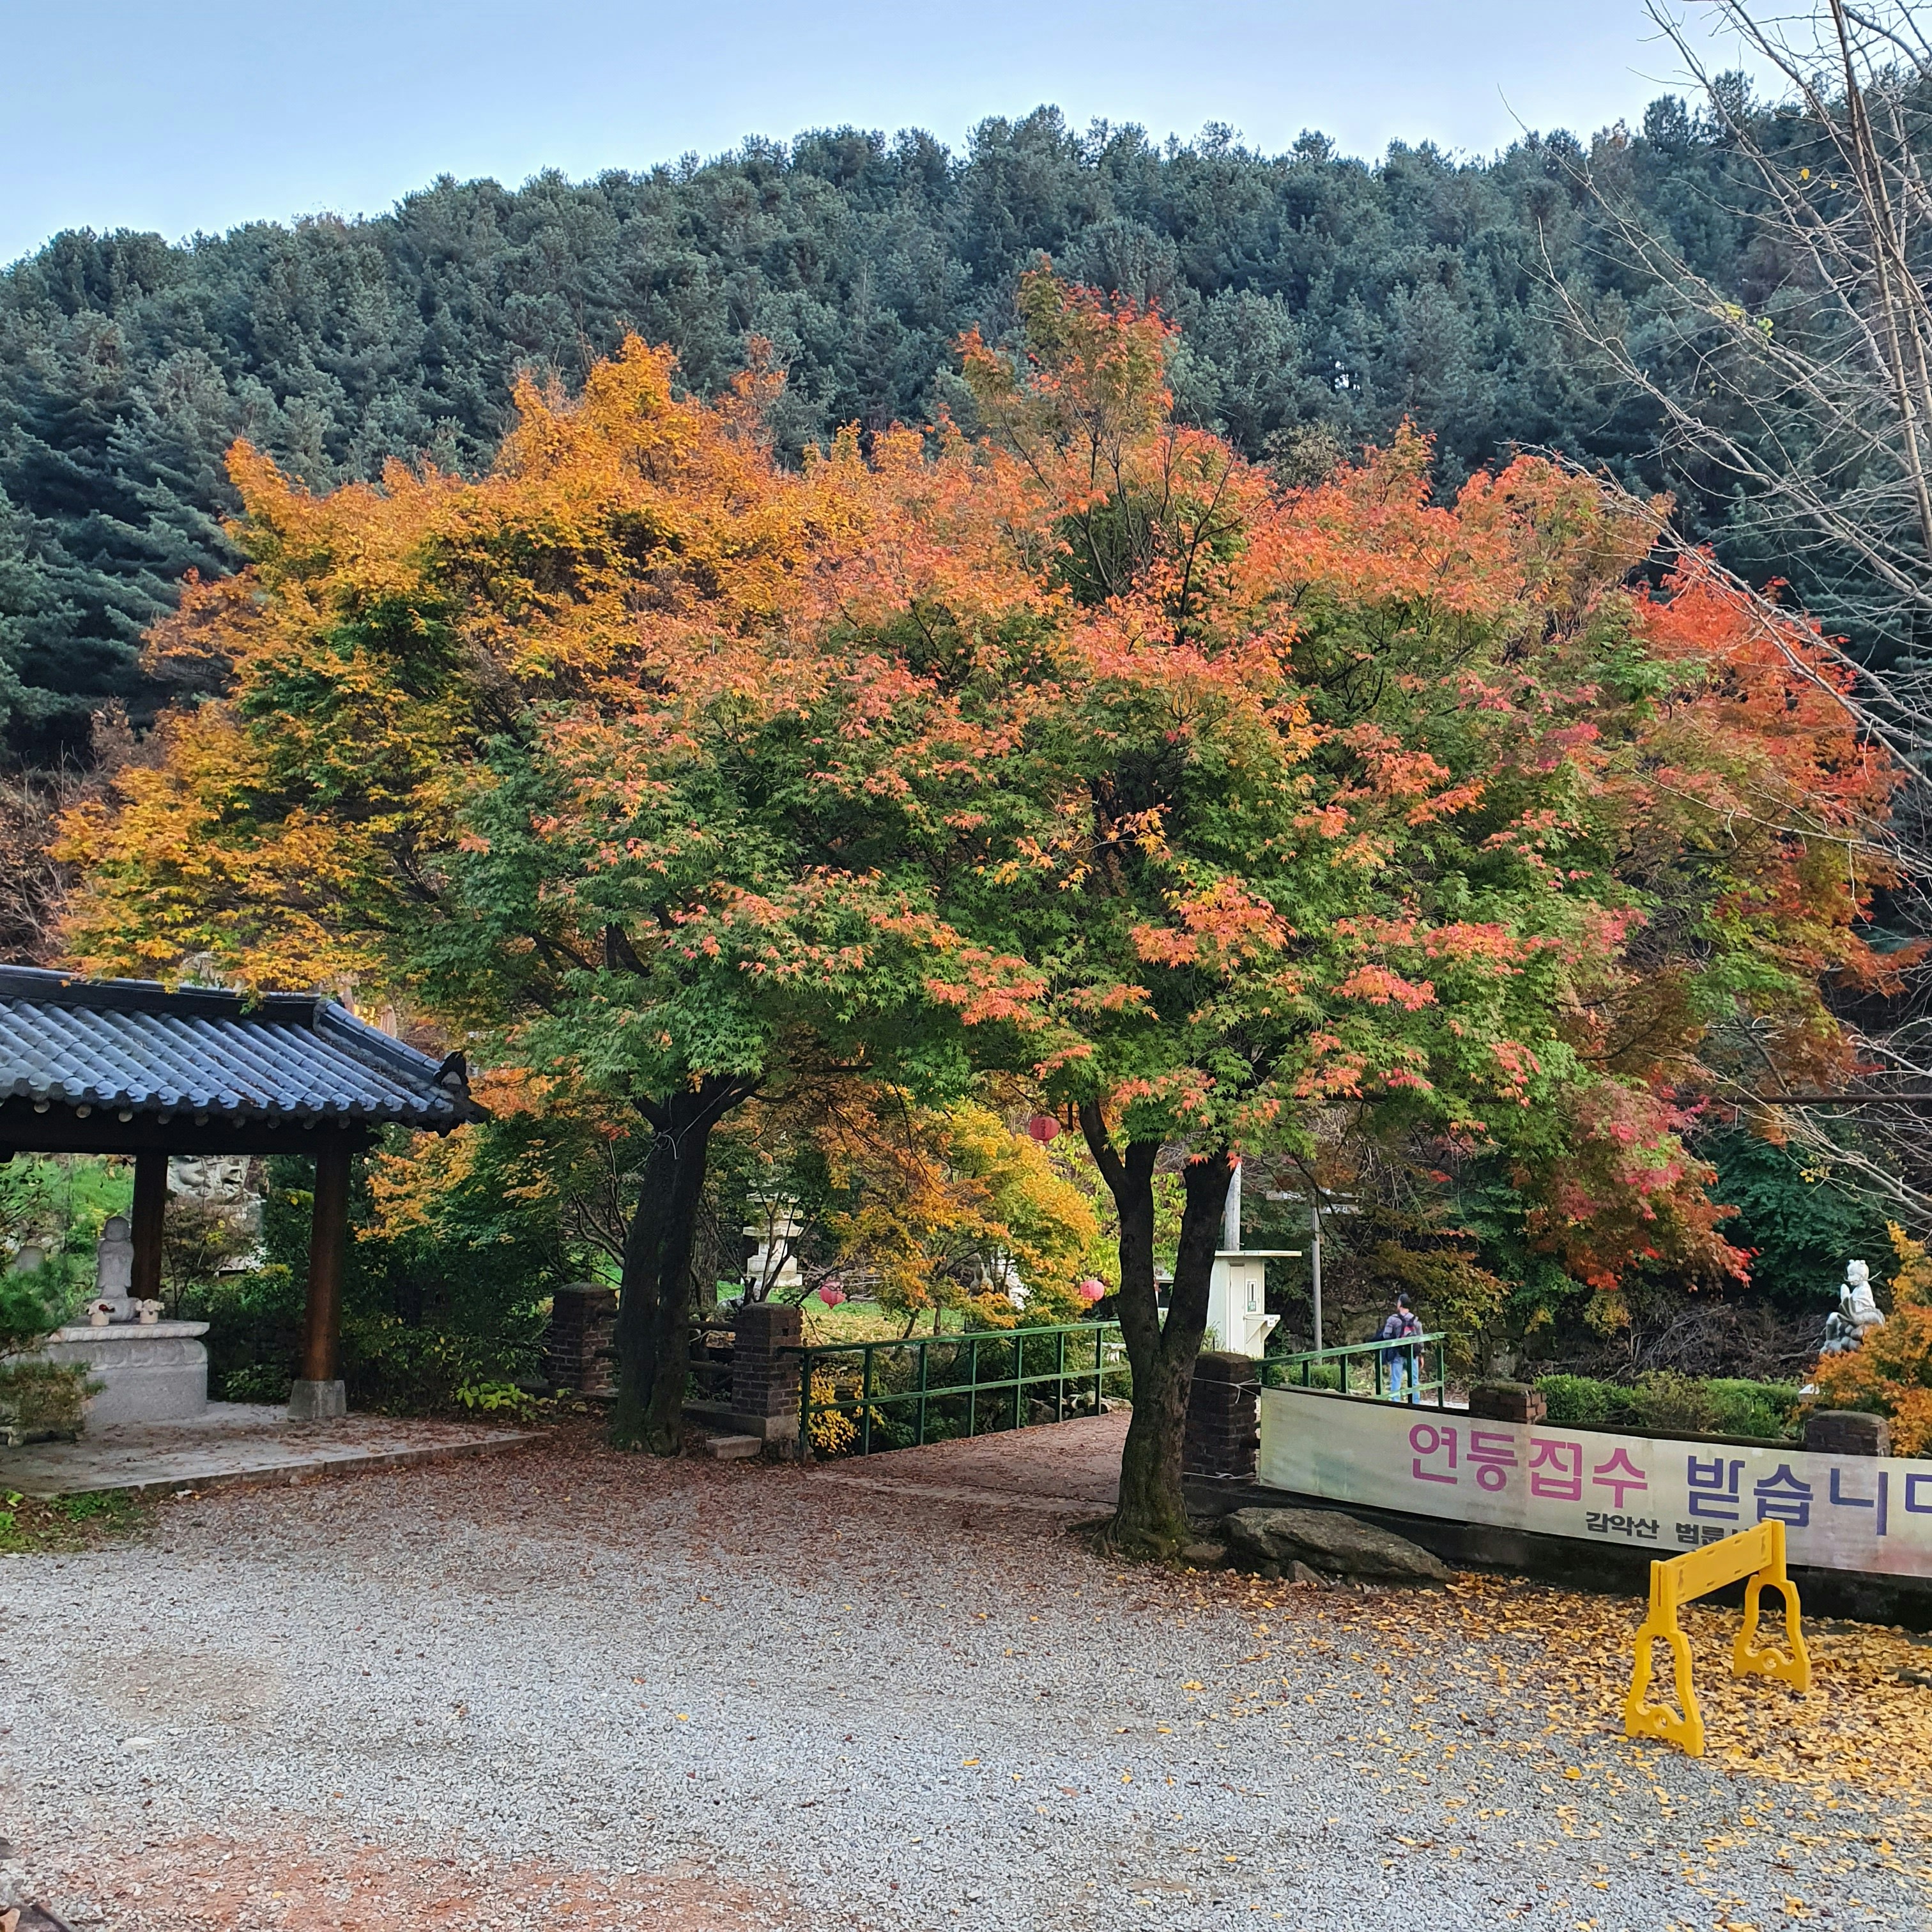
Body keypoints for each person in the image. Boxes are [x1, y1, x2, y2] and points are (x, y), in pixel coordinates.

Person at [1379, 1292, 1425, 1403]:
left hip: (1398, 1353)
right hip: (1412, 1354)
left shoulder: (1393, 1319)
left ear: (1400, 1304)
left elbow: (1386, 1335)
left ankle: (1396, 1402)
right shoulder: (1415, 1320)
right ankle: (1416, 1403)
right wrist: (1421, 1355)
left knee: (1396, 1380)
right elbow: (1420, 1338)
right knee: (1414, 1380)